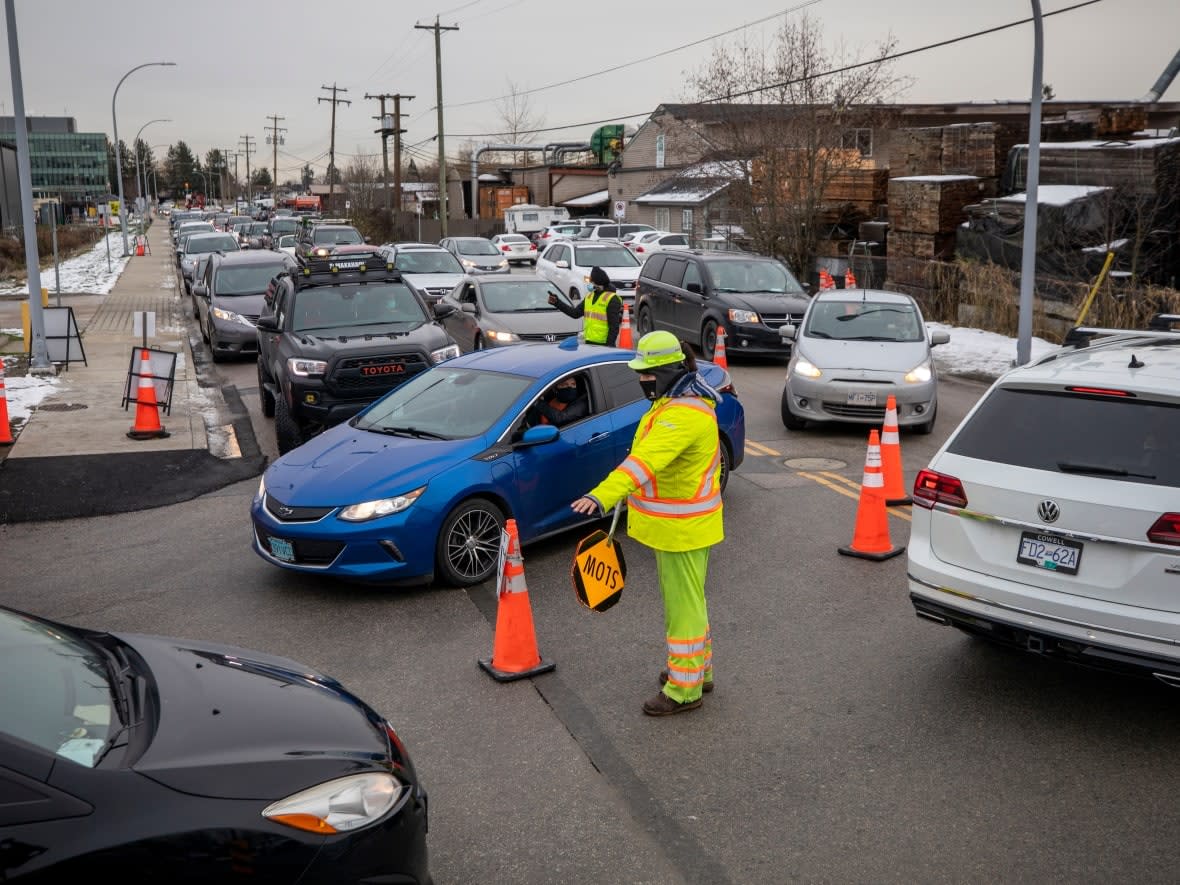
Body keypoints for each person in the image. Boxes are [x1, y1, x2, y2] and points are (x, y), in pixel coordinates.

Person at [570, 331, 724, 716]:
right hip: (684, 527)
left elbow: (644, 462)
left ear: (670, 370)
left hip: (681, 530)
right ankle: (697, 672)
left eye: (648, 373)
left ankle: (684, 691)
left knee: (682, 609)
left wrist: (602, 495)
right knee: (692, 602)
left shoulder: (682, 414)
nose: (642, 380)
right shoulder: (677, 402)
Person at [549, 266, 622, 346]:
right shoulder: (589, 297)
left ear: (597, 282)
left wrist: (609, 348)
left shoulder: (612, 299)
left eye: (591, 280)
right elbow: (575, 313)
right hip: (589, 343)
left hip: (603, 345)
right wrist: (557, 302)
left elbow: (614, 327)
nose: (589, 282)